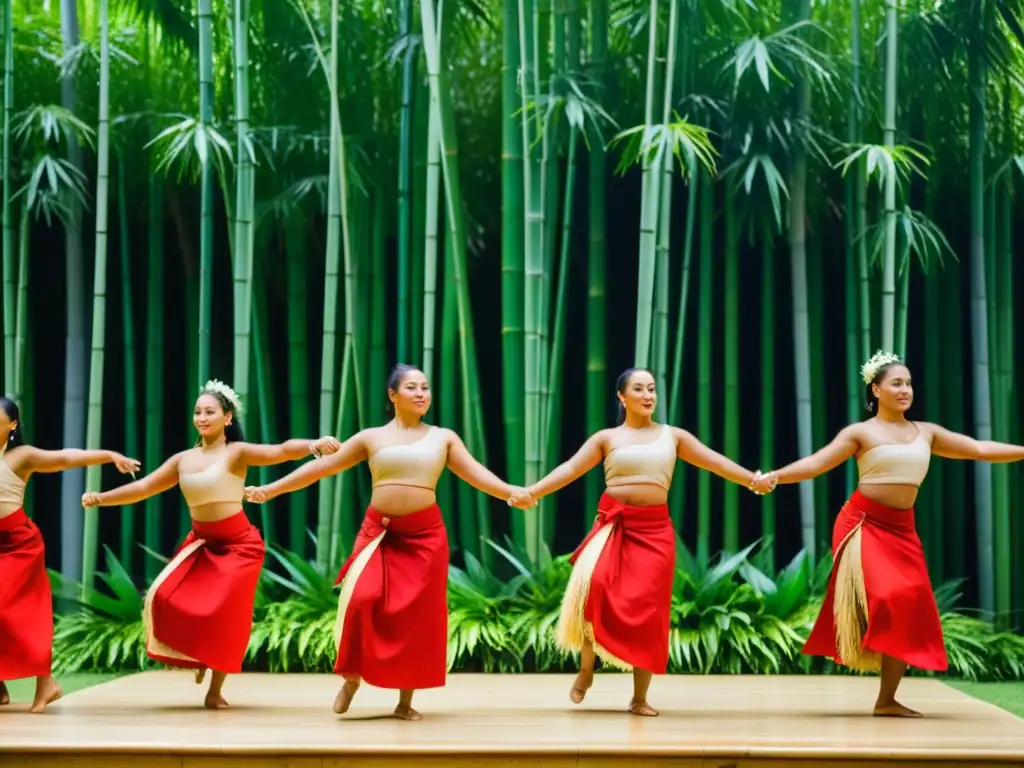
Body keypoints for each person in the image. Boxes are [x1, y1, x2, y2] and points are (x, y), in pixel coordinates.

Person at [244, 364, 532, 720]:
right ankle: (351, 676)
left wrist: (511, 494)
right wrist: (270, 490)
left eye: (425, 387)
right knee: (362, 599)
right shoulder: (371, 438)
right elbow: (320, 468)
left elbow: (476, 474)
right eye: (412, 387)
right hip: (378, 534)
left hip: (425, 537)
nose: (421, 393)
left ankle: (404, 702)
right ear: (393, 395)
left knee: (415, 617)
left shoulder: (443, 438)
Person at [758, 351, 1024, 717]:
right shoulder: (860, 433)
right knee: (889, 594)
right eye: (896, 383)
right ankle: (864, 655)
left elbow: (978, 449)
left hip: (902, 529)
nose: (905, 390)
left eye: (909, 383)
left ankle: (887, 700)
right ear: (876, 390)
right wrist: (776, 476)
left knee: (911, 602)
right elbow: (818, 462)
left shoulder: (926, 432)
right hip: (863, 524)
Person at [522, 367, 769, 717]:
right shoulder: (607, 438)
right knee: (594, 588)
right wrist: (532, 492)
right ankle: (586, 667)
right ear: (622, 397)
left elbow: (715, 462)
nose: (648, 395)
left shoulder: (674, 436)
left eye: (651, 388)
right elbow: (569, 468)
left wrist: (752, 480)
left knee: (650, 611)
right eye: (638, 389)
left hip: (654, 532)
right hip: (613, 526)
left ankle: (639, 697)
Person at [81, 379, 340, 709]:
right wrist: (101, 498)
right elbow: (144, 488)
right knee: (165, 597)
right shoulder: (183, 460)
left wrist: (314, 445)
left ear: (227, 418)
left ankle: (215, 688)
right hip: (201, 543)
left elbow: (281, 450)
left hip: (239, 546)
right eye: (198, 412)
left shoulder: (237, 453)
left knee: (225, 612)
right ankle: (199, 654)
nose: (202, 417)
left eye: (210, 412)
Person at [0, 396, 139, 714]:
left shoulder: (22, 455)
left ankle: (46, 682)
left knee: (14, 613)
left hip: (18, 544)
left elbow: (64, 458)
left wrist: (108, 455)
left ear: (12, 424)